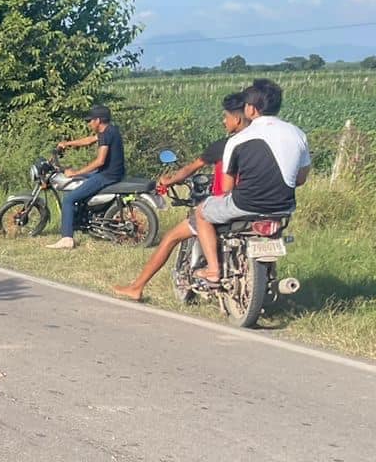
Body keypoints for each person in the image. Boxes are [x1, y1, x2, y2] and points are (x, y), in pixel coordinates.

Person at [113, 93, 249, 301]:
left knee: (170, 237)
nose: (224, 121)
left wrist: (169, 180)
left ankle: (137, 287)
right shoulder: (262, 143)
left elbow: (190, 168)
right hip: (258, 206)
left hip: (227, 205)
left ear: (237, 119)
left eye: (225, 117)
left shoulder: (225, 146)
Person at [191, 78, 310, 283]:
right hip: (283, 207)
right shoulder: (298, 134)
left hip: (245, 204)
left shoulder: (238, 139)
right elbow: (300, 179)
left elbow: (227, 188)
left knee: (201, 213)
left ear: (252, 109)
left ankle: (212, 269)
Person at [47, 104, 125, 250]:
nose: (89, 123)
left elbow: (100, 161)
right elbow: (89, 140)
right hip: (112, 173)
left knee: (69, 200)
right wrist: (67, 144)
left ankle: (67, 238)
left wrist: (76, 172)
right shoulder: (110, 130)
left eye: (90, 120)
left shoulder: (106, 134)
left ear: (98, 120)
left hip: (106, 175)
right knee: (78, 187)